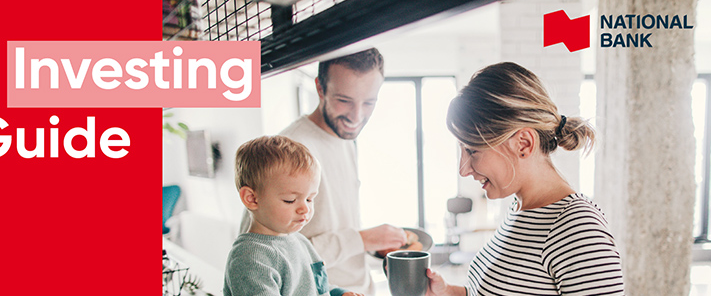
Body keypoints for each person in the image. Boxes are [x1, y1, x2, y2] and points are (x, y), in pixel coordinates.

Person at [426, 62, 624, 296]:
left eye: (472, 151)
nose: (463, 169)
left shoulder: (577, 228)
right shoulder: (520, 209)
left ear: (524, 144)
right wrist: (447, 292)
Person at [240, 48, 407, 295]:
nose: (357, 116)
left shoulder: (345, 139)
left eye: (369, 102)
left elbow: (332, 224)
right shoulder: (291, 149)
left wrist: (372, 246)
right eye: (344, 100)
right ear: (320, 89)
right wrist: (361, 239)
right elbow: (261, 251)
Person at [224, 135, 363, 296]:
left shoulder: (300, 242)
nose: (305, 208)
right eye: (290, 200)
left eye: (310, 198)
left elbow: (314, 288)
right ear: (252, 198)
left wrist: (338, 293)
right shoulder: (250, 259)